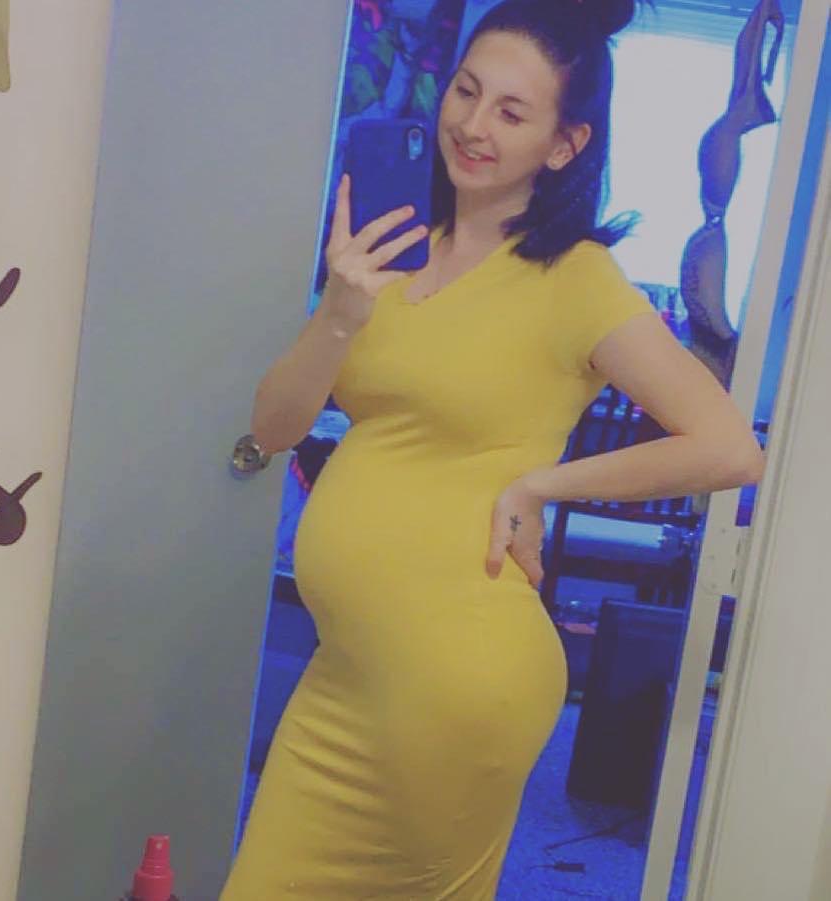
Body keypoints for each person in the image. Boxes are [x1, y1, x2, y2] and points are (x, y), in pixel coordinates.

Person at [220, 0, 765, 897]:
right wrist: (340, 311)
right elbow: (274, 429)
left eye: (512, 112)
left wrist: (541, 484)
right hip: (344, 673)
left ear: (564, 143)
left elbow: (729, 448)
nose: (473, 126)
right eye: (466, 92)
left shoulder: (576, 279)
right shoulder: (389, 246)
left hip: (460, 684)